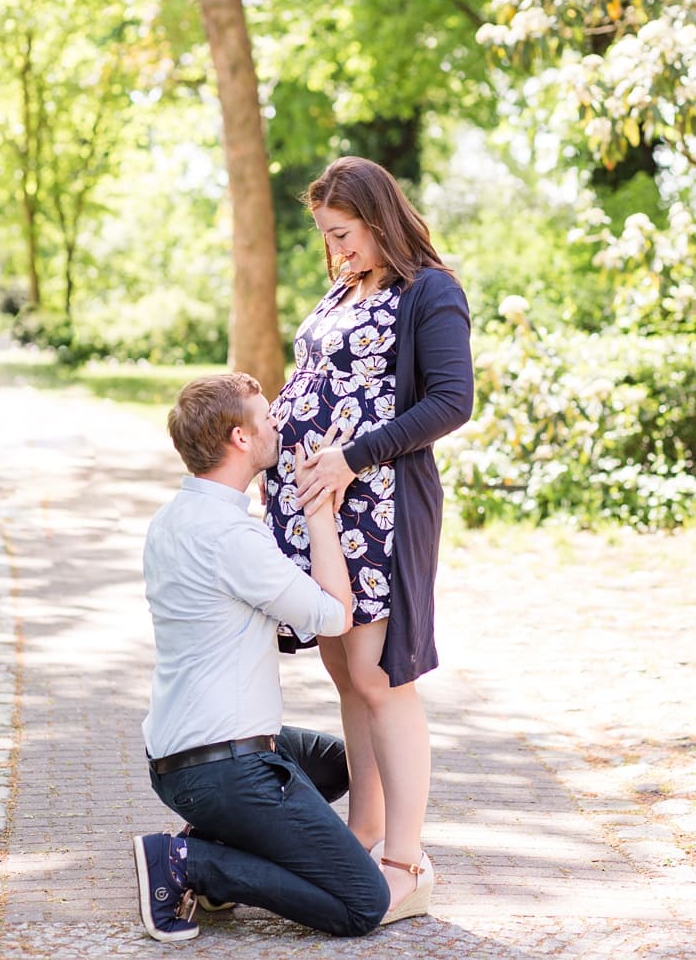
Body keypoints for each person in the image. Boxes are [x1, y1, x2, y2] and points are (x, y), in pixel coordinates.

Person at [263, 156, 473, 921]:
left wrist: (352, 457)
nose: (337, 251)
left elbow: (453, 400)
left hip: (377, 510)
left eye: (344, 234)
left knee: (383, 680)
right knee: (347, 676)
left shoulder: (430, 293)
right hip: (315, 512)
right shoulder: (344, 289)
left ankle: (407, 863)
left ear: (380, 219)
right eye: (326, 237)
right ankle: (365, 834)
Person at [133, 373, 390, 941]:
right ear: (239, 439)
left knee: (348, 765)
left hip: (176, 760)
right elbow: (334, 615)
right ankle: (187, 864)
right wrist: (318, 509)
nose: (279, 422)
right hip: (226, 769)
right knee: (362, 903)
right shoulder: (231, 538)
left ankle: (216, 843)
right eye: (267, 415)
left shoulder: (170, 521)